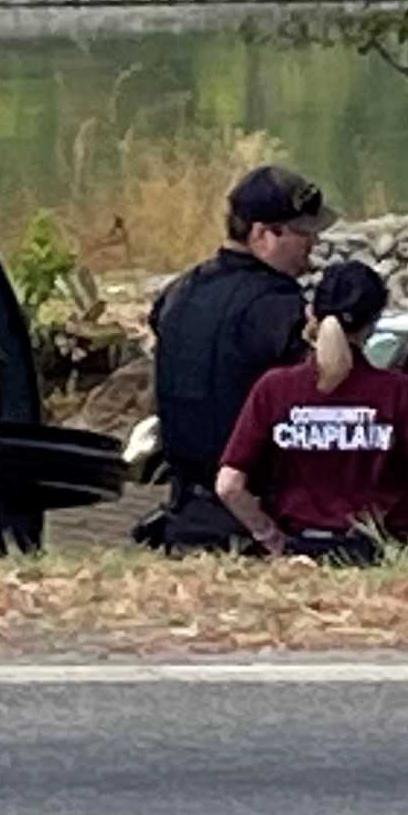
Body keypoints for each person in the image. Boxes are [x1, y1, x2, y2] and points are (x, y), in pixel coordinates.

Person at [143, 164, 328, 549]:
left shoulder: (180, 291)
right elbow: (318, 395)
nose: (312, 247)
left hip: (186, 510)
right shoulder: (275, 306)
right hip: (250, 511)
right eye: (303, 233)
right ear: (262, 234)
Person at [214, 260, 408, 560]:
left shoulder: (274, 389)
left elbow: (229, 486)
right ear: (373, 323)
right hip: (377, 559)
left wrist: (272, 539)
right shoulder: (403, 395)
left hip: (301, 555)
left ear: (311, 314)